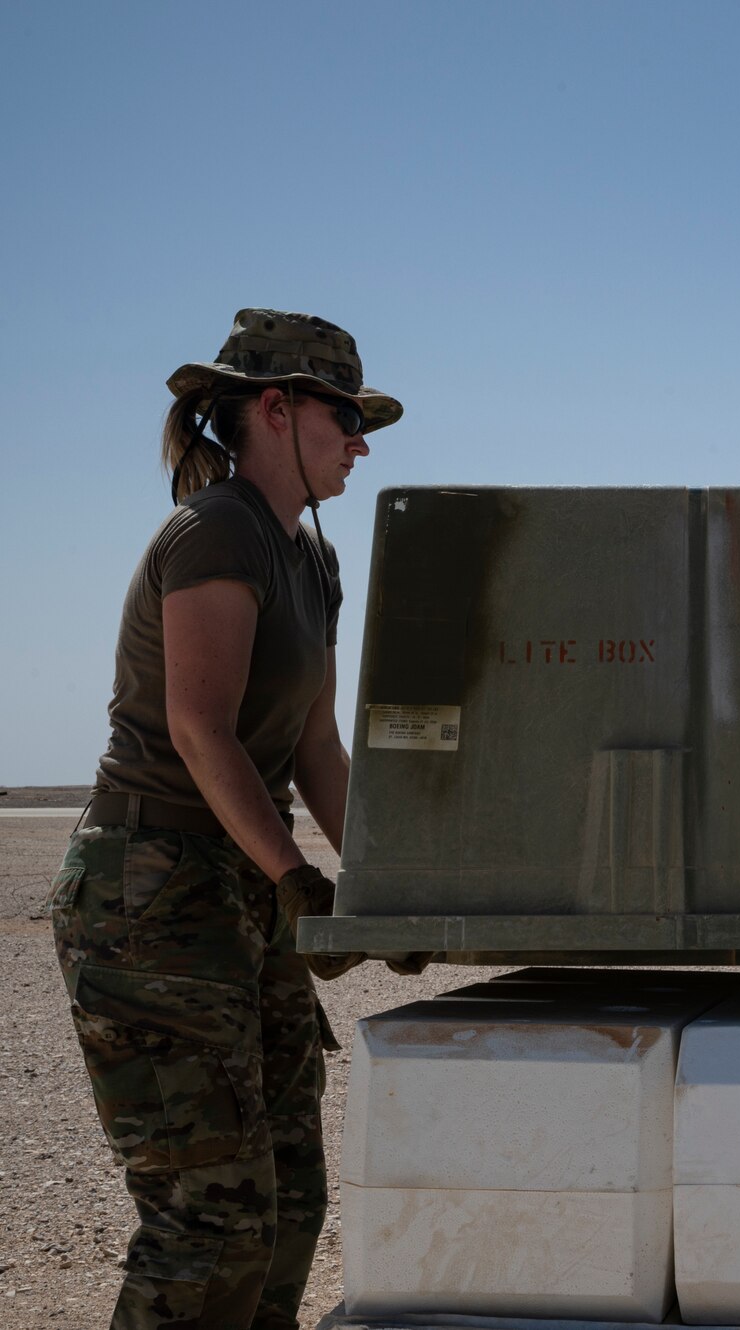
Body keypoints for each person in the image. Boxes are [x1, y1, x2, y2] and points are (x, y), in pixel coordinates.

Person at [48, 310, 396, 1329]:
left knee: (287, 1204)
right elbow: (203, 732)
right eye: (345, 415)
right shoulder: (216, 530)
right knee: (210, 1220)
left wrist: (384, 878)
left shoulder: (311, 557)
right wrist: (296, 876)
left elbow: (315, 747)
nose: (361, 441)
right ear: (276, 410)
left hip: (239, 885)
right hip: (149, 895)